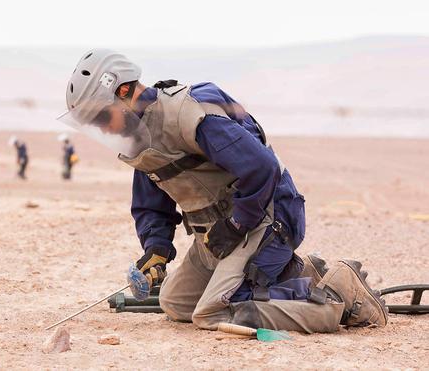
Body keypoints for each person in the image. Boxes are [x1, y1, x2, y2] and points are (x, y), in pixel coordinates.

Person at [58, 49, 388, 333]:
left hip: (265, 220)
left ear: (125, 90)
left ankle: (337, 297)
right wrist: (156, 248)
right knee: (175, 303)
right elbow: (151, 207)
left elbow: (262, 168)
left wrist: (236, 225)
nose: (102, 128)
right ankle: (303, 275)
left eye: (102, 117)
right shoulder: (141, 138)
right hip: (218, 236)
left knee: (213, 313)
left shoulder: (189, 115)